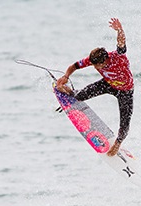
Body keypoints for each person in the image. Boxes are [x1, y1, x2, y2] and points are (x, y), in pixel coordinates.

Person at [56, 18, 134, 157]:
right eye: (93, 64)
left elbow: (121, 43)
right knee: (79, 96)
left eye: (97, 65)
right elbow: (74, 66)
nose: (94, 67)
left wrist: (120, 30)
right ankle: (69, 90)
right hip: (107, 84)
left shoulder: (118, 58)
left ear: (105, 61)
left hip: (125, 91)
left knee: (124, 124)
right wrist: (66, 76)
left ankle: (118, 143)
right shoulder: (93, 60)